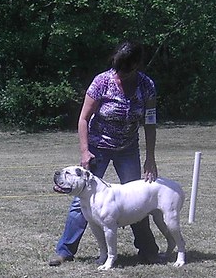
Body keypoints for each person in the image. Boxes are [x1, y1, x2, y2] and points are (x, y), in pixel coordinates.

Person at [49, 40, 163, 266]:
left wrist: (150, 157)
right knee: (79, 201)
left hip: (128, 148)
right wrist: (85, 151)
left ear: (137, 65)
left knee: (137, 199)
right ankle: (65, 251)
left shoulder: (146, 85)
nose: (120, 72)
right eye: (118, 67)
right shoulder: (102, 82)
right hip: (97, 147)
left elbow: (150, 122)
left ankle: (148, 250)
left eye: (126, 68)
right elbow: (83, 118)